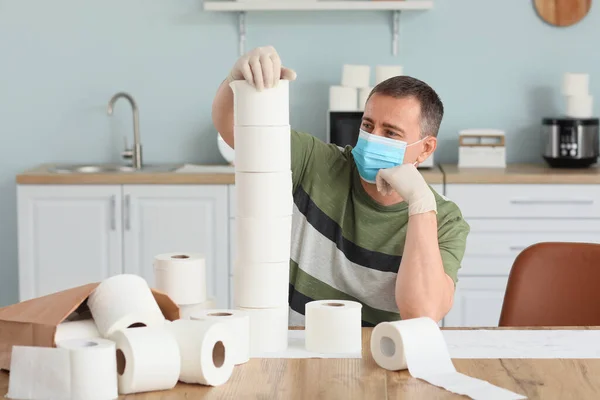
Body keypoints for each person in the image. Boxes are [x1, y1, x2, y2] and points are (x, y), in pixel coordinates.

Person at [212, 46, 470, 326]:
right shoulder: (316, 163)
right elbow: (236, 132)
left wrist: (420, 204)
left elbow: (422, 313)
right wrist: (235, 81)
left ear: (425, 149)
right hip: (302, 346)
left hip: (383, 355)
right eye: (368, 126)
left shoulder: (444, 221)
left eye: (391, 133)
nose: (372, 138)